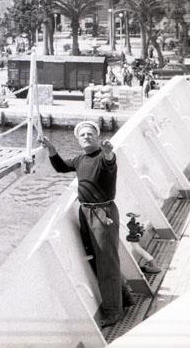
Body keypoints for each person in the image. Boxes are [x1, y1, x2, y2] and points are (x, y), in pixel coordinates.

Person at [39, 121, 131, 328]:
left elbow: (110, 162)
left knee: (106, 262)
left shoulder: (103, 157)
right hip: (85, 212)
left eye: (90, 134)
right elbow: (61, 167)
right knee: (96, 257)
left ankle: (113, 312)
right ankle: (125, 297)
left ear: (97, 137)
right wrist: (51, 149)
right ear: (78, 139)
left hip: (103, 213)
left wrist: (108, 152)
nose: (86, 137)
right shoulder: (80, 159)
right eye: (82, 135)